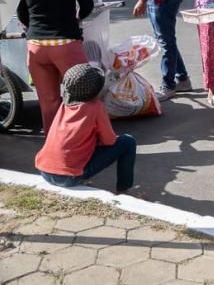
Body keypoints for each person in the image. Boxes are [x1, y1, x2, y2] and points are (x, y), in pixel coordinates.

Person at [17, 0, 93, 133]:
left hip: (37, 49)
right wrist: (76, 19)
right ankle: (81, 140)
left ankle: (54, 146)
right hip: (66, 44)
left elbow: (22, 15)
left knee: (48, 101)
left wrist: (34, 28)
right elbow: (87, 5)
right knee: (81, 95)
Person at [35, 64, 137, 193]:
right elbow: (109, 141)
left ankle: (79, 174)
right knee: (128, 141)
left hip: (44, 171)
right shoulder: (96, 108)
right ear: (95, 90)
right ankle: (124, 190)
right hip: (68, 178)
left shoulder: (65, 104)